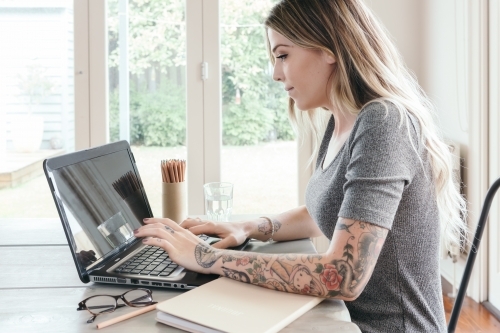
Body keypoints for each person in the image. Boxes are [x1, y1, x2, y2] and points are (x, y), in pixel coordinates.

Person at [134, 0, 467, 332]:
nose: (276, 74)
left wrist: (207, 258)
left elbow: (344, 275)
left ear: (329, 47)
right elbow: (330, 212)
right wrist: (248, 227)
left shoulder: (383, 123)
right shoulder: (342, 121)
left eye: (282, 55)